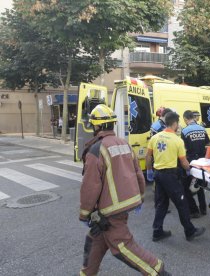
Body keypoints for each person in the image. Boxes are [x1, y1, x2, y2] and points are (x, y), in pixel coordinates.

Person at [79, 104, 169, 275]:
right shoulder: (124, 144)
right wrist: (140, 197)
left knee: (123, 246)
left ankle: (158, 271)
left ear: (96, 126)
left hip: (109, 212)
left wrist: (84, 213)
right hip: (118, 209)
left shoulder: (95, 149)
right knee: (94, 241)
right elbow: (138, 174)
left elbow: (90, 187)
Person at [146, 112, 205, 242]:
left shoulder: (155, 138)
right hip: (170, 176)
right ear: (175, 124)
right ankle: (190, 232)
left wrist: (149, 170)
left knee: (161, 204)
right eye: (178, 123)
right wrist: (190, 170)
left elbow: (149, 156)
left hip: (158, 175)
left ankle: (157, 232)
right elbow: (184, 162)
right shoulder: (177, 140)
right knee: (182, 203)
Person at [181, 110, 210, 218]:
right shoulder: (202, 129)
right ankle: (203, 209)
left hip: (191, 162)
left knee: (186, 187)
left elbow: (182, 149)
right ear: (193, 117)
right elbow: (208, 144)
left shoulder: (184, 131)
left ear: (185, 119)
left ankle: (194, 211)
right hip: (202, 162)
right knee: (200, 185)